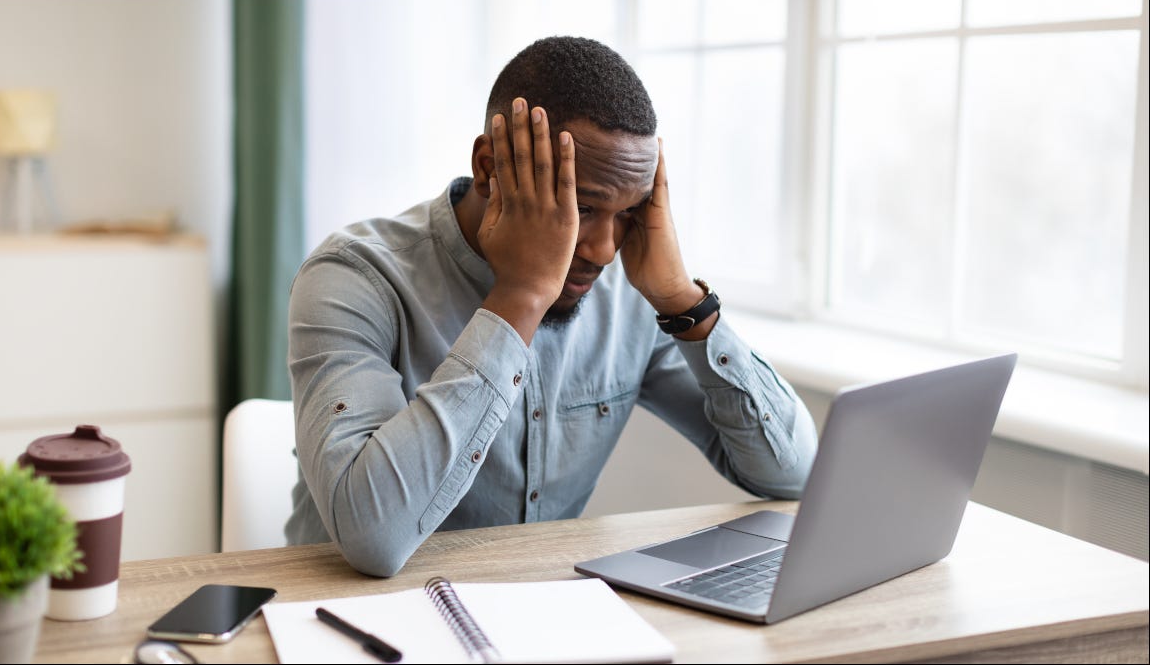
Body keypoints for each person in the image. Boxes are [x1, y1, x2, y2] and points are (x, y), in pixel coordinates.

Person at [286, 36, 817, 577]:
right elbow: (372, 537)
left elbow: (794, 476)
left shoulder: (632, 293)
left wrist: (684, 300)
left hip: (544, 617)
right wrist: (520, 296)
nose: (603, 249)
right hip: (355, 623)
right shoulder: (354, 277)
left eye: (629, 212)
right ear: (490, 168)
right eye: (582, 206)